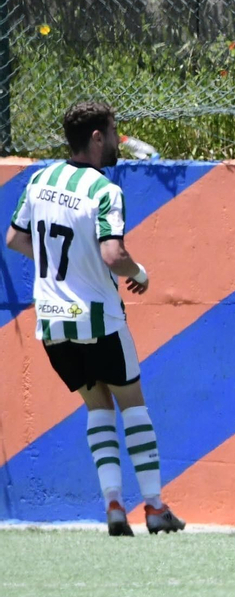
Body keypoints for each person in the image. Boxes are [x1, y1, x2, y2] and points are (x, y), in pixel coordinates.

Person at [5, 101, 185, 536]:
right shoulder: (104, 190)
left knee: (96, 407)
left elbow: (14, 237)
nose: (117, 139)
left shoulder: (39, 179)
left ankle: (113, 506)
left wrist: (57, 267)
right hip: (99, 318)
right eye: (113, 129)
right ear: (98, 137)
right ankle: (156, 508)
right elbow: (113, 255)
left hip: (53, 321)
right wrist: (139, 273)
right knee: (132, 405)